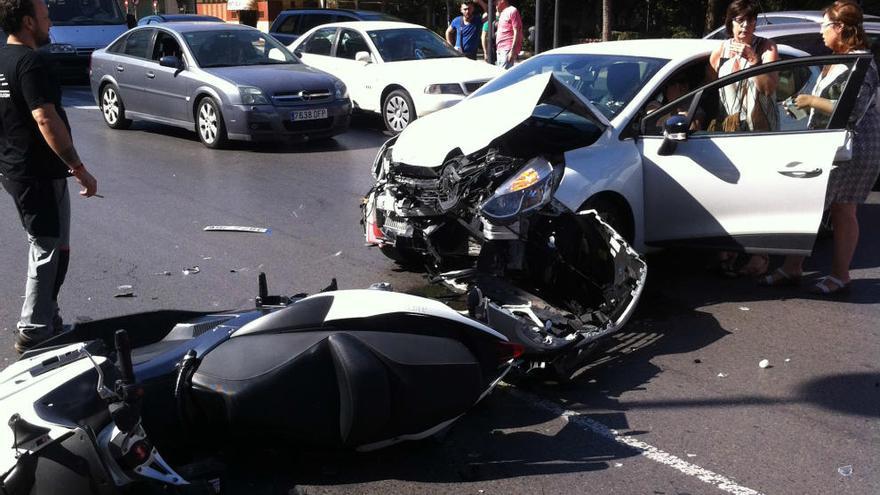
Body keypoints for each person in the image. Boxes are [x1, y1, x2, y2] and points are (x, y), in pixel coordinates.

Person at [759, 0, 880, 295]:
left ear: (840, 28)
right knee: (817, 206)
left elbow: (851, 111)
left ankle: (839, 275)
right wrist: (802, 106)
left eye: (824, 26)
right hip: (830, 143)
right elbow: (824, 102)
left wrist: (812, 102)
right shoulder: (838, 58)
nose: (821, 33)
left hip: (854, 147)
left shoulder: (861, 63)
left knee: (838, 210)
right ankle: (793, 267)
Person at [0, 0, 98, 352]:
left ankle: (48, 316)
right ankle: (34, 329)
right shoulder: (30, 62)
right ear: (28, 22)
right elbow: (45, 118)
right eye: (44, 17)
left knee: (56, 244)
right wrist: (78, 167)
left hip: (18, 169)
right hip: (37, 171)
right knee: (46, 248)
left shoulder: (3, 58)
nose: (50, 22)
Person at [708, 0, 779, 278]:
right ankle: (728, 249)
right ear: (731, 23)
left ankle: (759, 256)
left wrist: (753, 61)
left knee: (758, 194)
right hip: (729, 129)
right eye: (740, 20)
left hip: (759, 130)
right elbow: (710, 91)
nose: (745, 26)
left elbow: (768, 88)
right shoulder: (720, 50)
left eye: (750, 20)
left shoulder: (766, 47)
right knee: (731, 192)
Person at [492, 0, 521, 69]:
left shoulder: (512, 10)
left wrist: (512, 50)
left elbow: (516, 31)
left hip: (507, 48)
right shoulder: (502, 12)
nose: (494, 3)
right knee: (500, 72)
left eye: (495, 1)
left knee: (503, 74)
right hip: (500, 48)